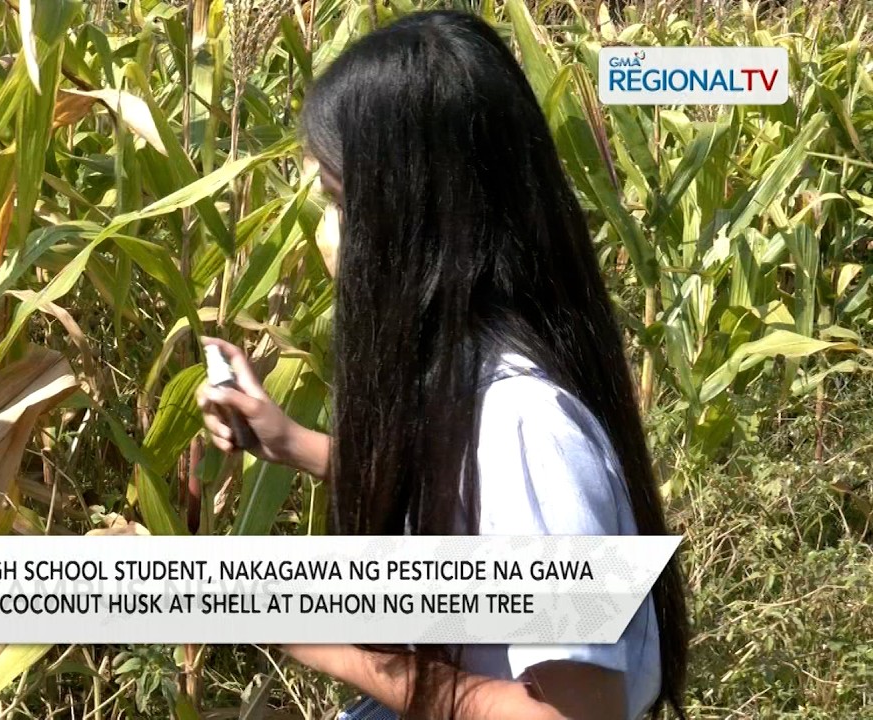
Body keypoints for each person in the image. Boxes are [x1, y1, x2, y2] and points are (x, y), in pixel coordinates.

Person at [194, 10, 688, 720]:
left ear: (412, 215)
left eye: (338, 201)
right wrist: (294, 444)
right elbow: (477, 507)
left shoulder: (526, 425)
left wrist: (333, 644)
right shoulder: (478, 368)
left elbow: (578, 716)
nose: (326, 230)